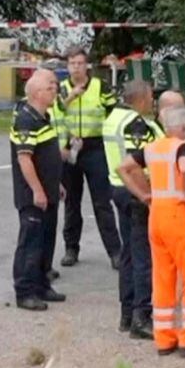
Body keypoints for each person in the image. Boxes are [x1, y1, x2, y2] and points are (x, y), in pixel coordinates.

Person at [121, 105, 185, 357]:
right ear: (183, 127)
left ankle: (164, 338)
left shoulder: (152, 148)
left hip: (157, 216)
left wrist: (143, 194)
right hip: (179, 216)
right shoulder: (182, 147)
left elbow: (124, 168)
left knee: (163, 278)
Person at [103, 79, 162, 338]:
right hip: (133, 193)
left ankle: (126, 314)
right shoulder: (135, 124)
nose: (152, 102)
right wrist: (146, 194)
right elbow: (134, 163)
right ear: (140, 98)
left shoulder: (113, 117)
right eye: (150, 97)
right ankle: (141, 316)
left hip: (117, 189)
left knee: (128, 254)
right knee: (142, 257)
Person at [54, 46, 121, 269]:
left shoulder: (100, 86)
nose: (77, 68)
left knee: (102, 202)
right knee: (71, 202)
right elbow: (53, 113)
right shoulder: (61, 89)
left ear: (87, 66)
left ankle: (115, 251)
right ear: (67, 66)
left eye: (81, 63)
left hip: (95, 147)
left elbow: (114, 112)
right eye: (73, 64)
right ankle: (71, 248)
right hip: (70, 147)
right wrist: (70, 97)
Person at [10, 69, 65, 311]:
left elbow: (48, 155)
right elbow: (25, 159)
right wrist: (37, 190)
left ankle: (42, 284)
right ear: (36, 93)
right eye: (49, 87)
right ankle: (25, 291)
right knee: (31, 242)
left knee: (46, 240)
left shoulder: (45, 117)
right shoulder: (25, 119)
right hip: (33, 195)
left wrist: (56, 183)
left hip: (49, 190)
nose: (55, 90)